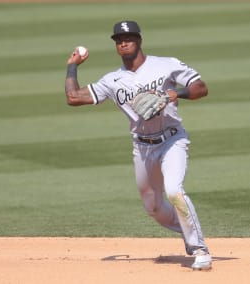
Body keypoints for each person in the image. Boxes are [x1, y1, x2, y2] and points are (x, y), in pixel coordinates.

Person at [64, 20, 212, 271]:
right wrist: (71, 67)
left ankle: (199, 249)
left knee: (174, 191)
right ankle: (189, 227)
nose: (124, 42)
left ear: (139, 40)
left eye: (129, 38)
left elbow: (201, 87)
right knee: (153, 208)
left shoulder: (166, 65)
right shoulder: (112, 80)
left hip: (173, 139)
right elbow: (73, 97)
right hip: (142, 148)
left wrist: (177, 93)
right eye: (119, 40)